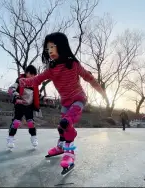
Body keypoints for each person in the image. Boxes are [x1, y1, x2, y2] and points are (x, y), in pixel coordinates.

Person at [18, 32, 106, 171]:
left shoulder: (73, 65)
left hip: (78, 99)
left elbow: (89, 78)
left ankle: (69, 153)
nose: (50, 51)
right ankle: (61, 146)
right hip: (65, 102)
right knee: (61, 127)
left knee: (66, 123)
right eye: (48, 49)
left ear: (62, 46)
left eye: (53, 47)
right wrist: (24, 81)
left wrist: (102, 92)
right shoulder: (52, 70)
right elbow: (37, 80)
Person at [7, 65, 40, 149]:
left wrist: (36, 106)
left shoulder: (34, 83)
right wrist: (17, 97)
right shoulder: (20, 80)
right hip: (20, 104)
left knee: (31, 123)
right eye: (31, 74)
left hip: (29, 106)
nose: (32, 76)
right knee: (16, 122)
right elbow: (11, 89)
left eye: (34, 75)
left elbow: (35, 95)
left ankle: (34, 137)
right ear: (26, 73)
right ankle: (10, 138)